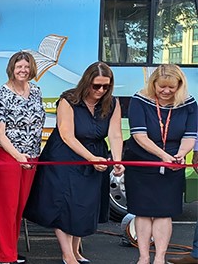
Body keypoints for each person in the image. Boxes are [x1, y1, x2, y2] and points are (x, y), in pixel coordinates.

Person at [24, 62, 125, 264]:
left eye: (106, 86)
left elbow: (115, 134)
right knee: (65, 203)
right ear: (86, 82)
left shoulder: (112, 103)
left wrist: (117, 160)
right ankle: (67, 255)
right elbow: (67, 135)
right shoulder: (68, 99)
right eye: (96, 86)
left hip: (95, 153)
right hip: (65, 155)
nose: (101, 91)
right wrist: (91, 158)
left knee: (85, 204)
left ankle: (76, 251)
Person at [122, 64, 196, 264]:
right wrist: (163, 155)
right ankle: (144, 257)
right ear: (153, 83)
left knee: (165, 212)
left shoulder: (188, 103)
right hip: (142, 160)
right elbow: (139, 135)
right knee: (143, 211)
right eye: (161, 87)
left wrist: (180, 154)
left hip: (173, 161)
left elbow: (190, 136)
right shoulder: (139, 100)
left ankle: (160, 258)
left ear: (179, 85)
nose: (166, 91)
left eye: (171, 87)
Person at [0, 51, 44, 264]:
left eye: (27, 67)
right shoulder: (0, 94)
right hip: (6, 155)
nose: (23, 70)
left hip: (31, 156)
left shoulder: (36, 91)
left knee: (19, 206)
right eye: (19, 66)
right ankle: (4, 256)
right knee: (5, 207)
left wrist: (30, 156)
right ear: (12, 68)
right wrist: (19, 156)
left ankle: (6, 249)